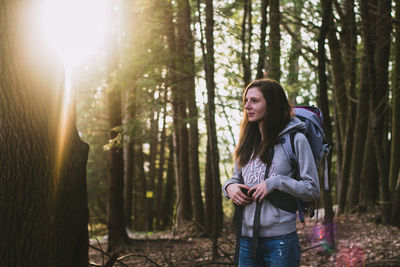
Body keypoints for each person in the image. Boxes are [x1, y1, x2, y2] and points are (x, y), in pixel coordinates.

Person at [222, 79, 320, 266]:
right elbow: (235, 179)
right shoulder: (247, 143)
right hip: (245, 240)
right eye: (246, 100)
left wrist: (276, 182)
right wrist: (229, 187)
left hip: (280, 241)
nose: (247, 106)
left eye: (254, 101)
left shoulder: (296, 139)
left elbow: (312, 189)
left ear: (272, 104)